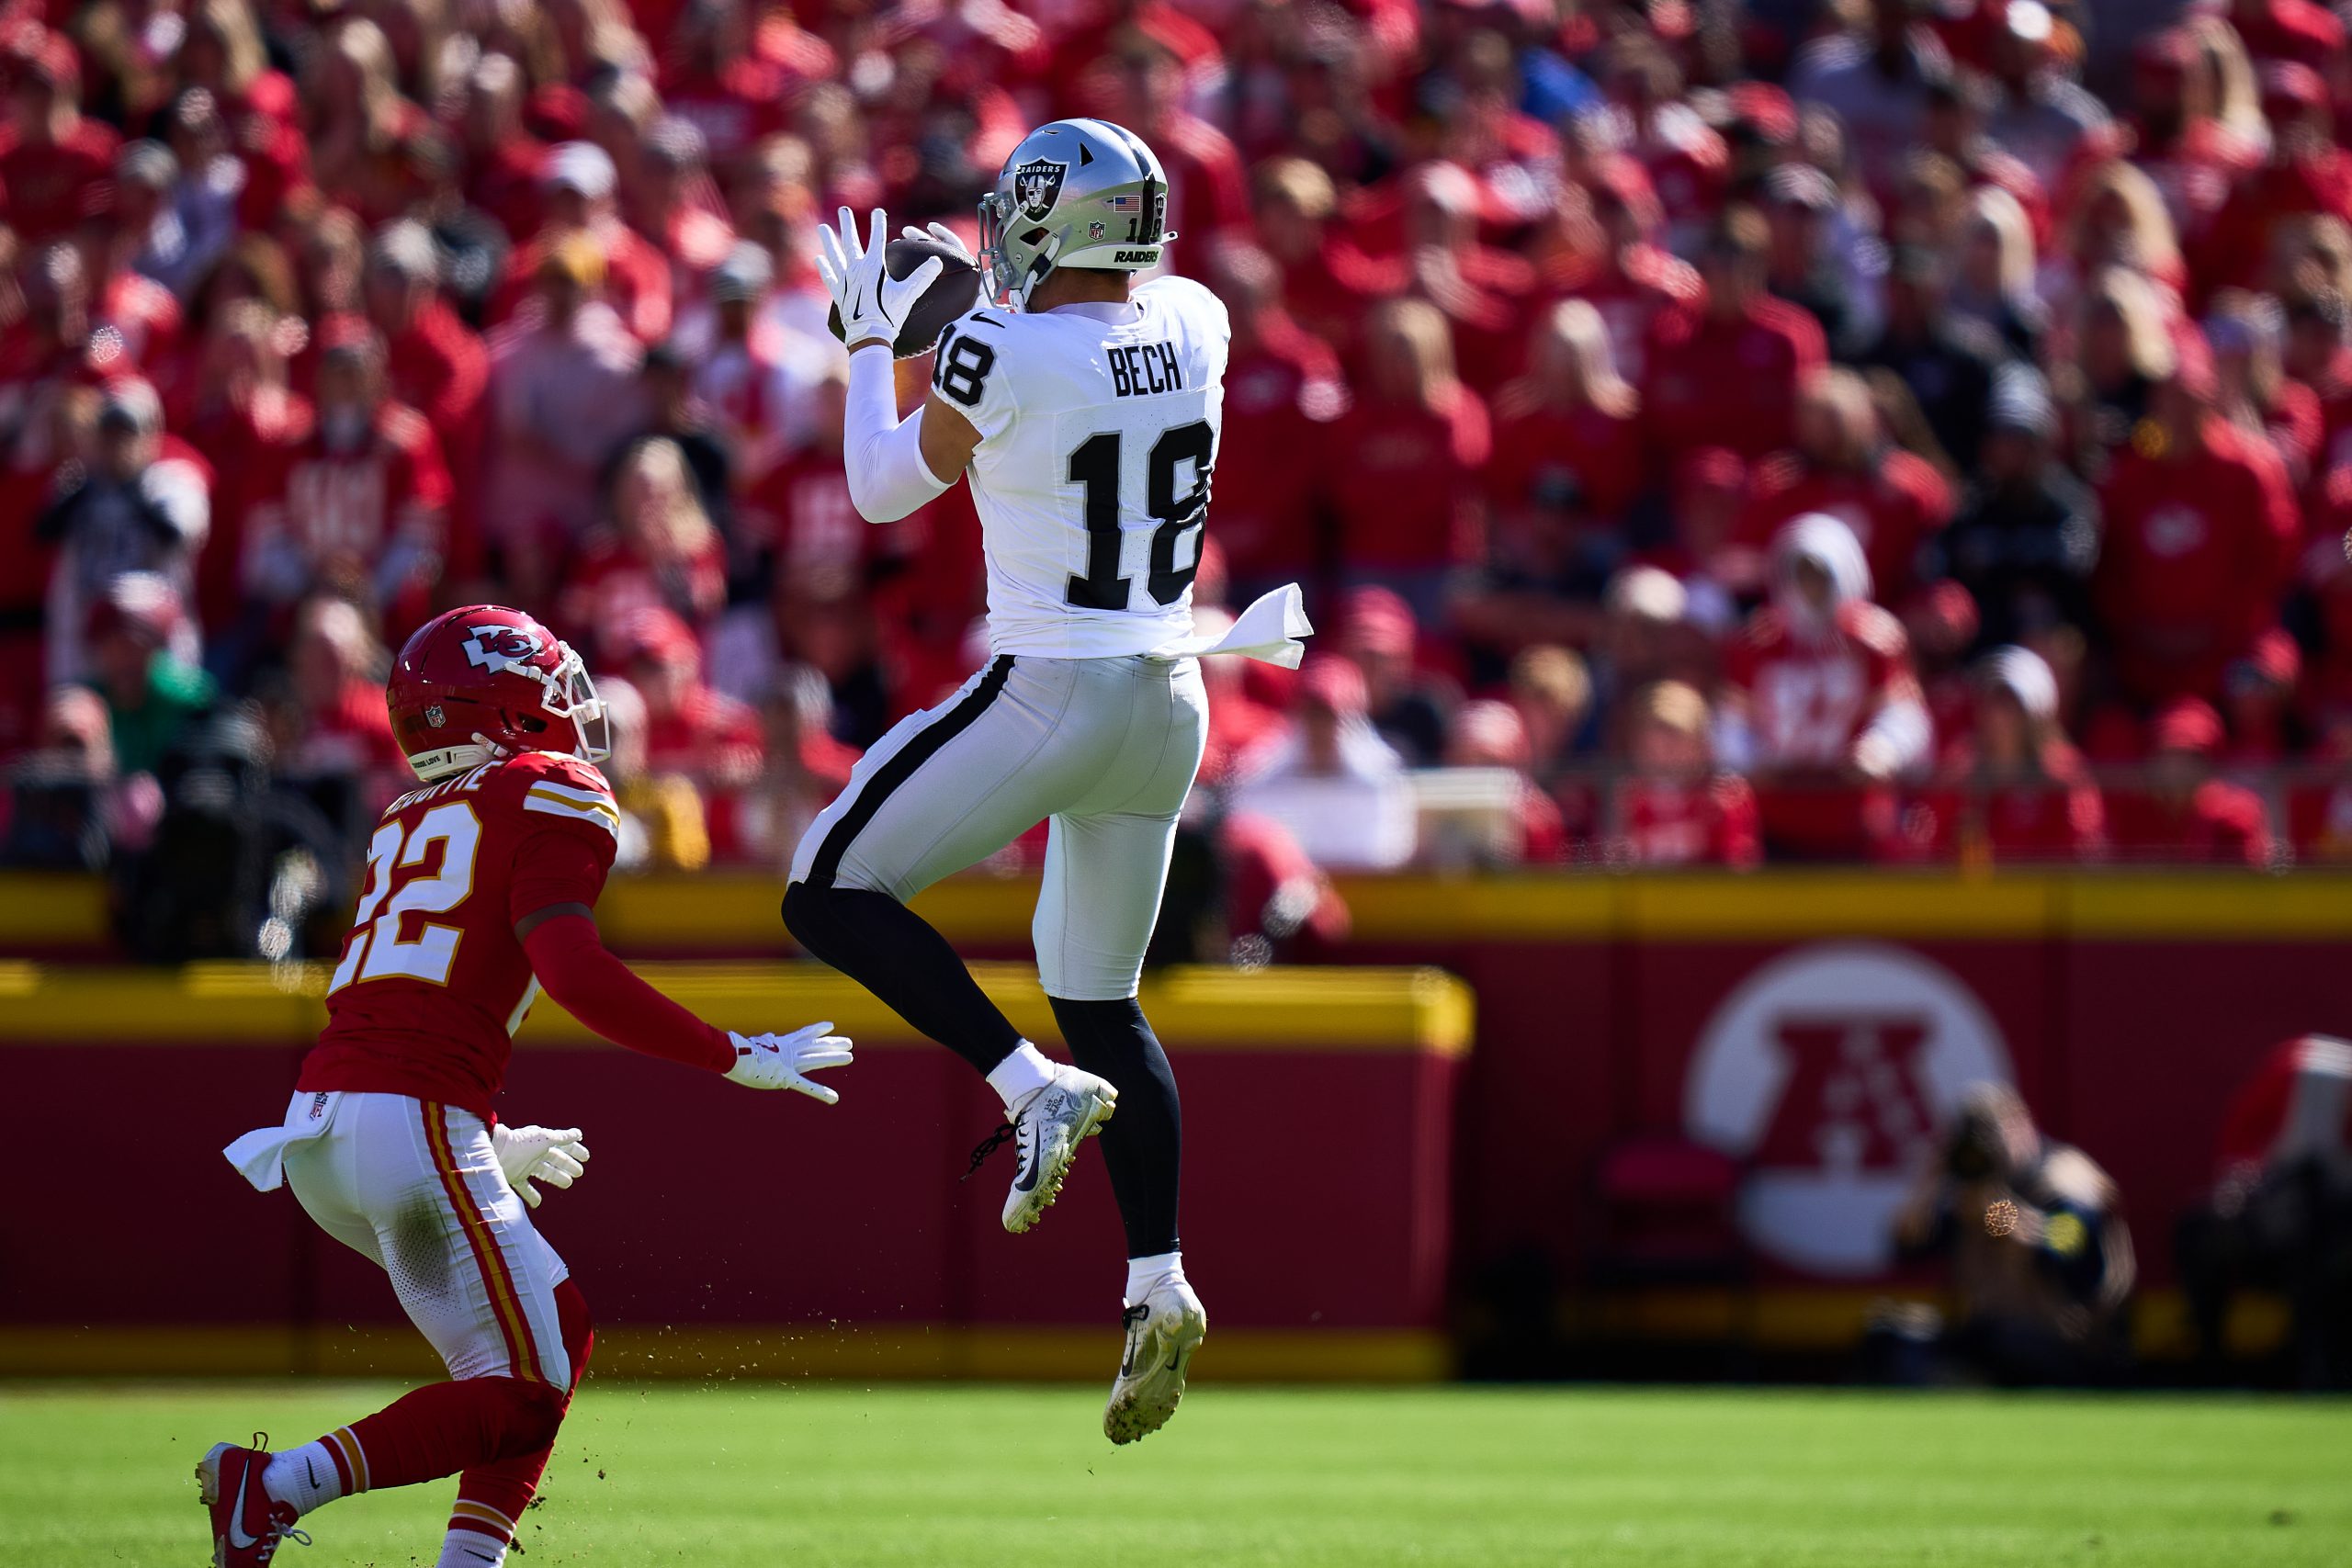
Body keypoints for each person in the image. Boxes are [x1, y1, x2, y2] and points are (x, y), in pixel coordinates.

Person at [793, 119, 1311, 1443]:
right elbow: (1073, 336)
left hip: (1053, 687)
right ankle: (1159, 1276)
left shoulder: (998, 349)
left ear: (1045, 220)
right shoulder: (1198, 318)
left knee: (826, 887)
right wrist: (961, 308)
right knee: (1104, 995)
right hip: (1173, 696)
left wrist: (868, 339)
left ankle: (1026, 1088)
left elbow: (877, 488)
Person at [202, 604, 853, 1568]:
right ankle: (279, 1485)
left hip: (327, 1126)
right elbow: (573, 970)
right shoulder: (550, 791)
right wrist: (732, 1053)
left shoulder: (404, 815)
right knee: (522, 1389)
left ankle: (470, 1561)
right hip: (408, 1123)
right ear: (500, 708)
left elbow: (417, 992)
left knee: (555, 1334)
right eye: (550, 690)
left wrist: (482, 1133)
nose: (570, 713)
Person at [1877, 1082, 2136, 1386]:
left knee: (1996, 1341)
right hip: (1993, 1334)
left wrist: (1999, 1214)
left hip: (2073, 1343)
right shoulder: (1974, 1191)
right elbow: (1905, 1246)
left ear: (2019, 1124)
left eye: (1991, 1136)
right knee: (1891, 1337)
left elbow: (2068, 1247)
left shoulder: (2067, 1181)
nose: (1988, 1151)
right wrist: (1933, 1179)